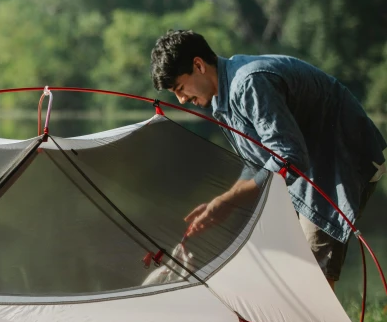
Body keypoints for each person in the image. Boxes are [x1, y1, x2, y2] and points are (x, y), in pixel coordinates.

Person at [149, 29, 386, 290]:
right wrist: (221, 205)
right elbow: (259, 164)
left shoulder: (249, 83)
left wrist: (227, 201)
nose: (181, 99)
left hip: (337, 163)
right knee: (286, 263)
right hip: (309, 168)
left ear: (198, 65)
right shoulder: (222, 99)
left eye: (180, 88)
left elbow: (289, 159)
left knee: (313, 275)